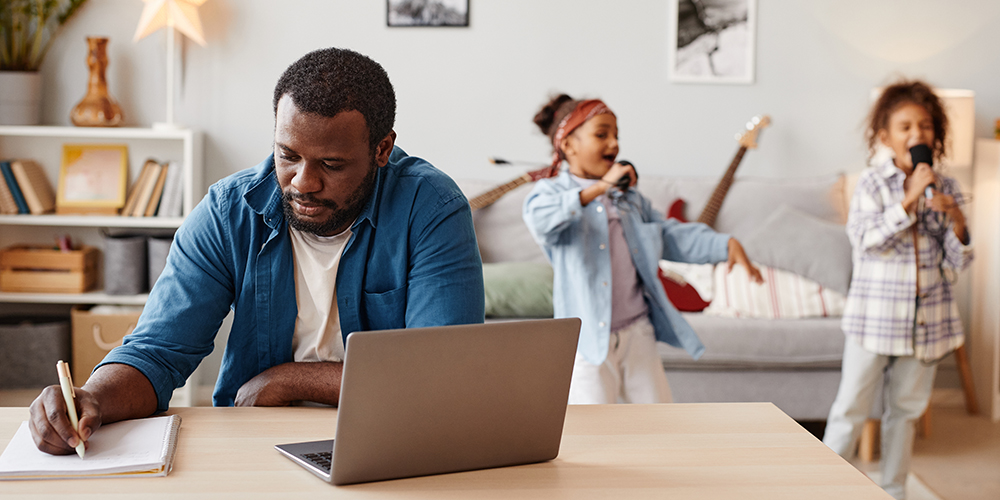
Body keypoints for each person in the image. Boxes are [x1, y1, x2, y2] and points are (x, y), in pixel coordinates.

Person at [29, 47, 485, 455]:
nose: (303, 182)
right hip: (254, 439)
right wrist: (91, 399)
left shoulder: (431, 208)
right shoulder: (228, 212)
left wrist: (287, 380)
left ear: (382, 149)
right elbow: (157, 352)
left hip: (391, 437)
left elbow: (439, 376)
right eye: (288, 155)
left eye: (331, 164)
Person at [522, 94, 762, 405]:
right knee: (593, 426)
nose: (614, 143)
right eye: (601, 134)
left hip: (637, 331)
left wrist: (721, 244)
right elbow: (541, 221)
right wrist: (599, 188)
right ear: (568, 145)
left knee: (658, 419)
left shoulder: (627, 197)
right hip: (587, 340)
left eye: (616, 135)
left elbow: (666, 235)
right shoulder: (550, 193)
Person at [822, 80, 973, 500]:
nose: (916, 134)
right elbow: (865, 241)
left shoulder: (946, 187)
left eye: (925, 125)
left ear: (936, 134)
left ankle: (894, 491)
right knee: (850, 409)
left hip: (926, 324)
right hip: (874, 320)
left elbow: (958, 261)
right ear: (885, 137)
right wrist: (907, 201)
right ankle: (823, 488)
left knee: (905, 413)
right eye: (905, 126)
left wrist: (958, 220)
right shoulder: (872, 184)